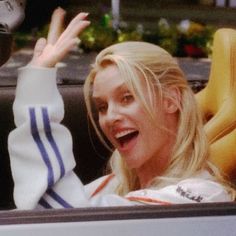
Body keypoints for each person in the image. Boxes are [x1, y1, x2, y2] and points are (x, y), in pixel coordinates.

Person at [8, 8, 235, 210]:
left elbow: (58, 217)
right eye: (103, 107)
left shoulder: (201, 197)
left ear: (171, 99)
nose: (111, 118)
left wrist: (36, 88)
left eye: (127, 98)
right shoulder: (114, 186)